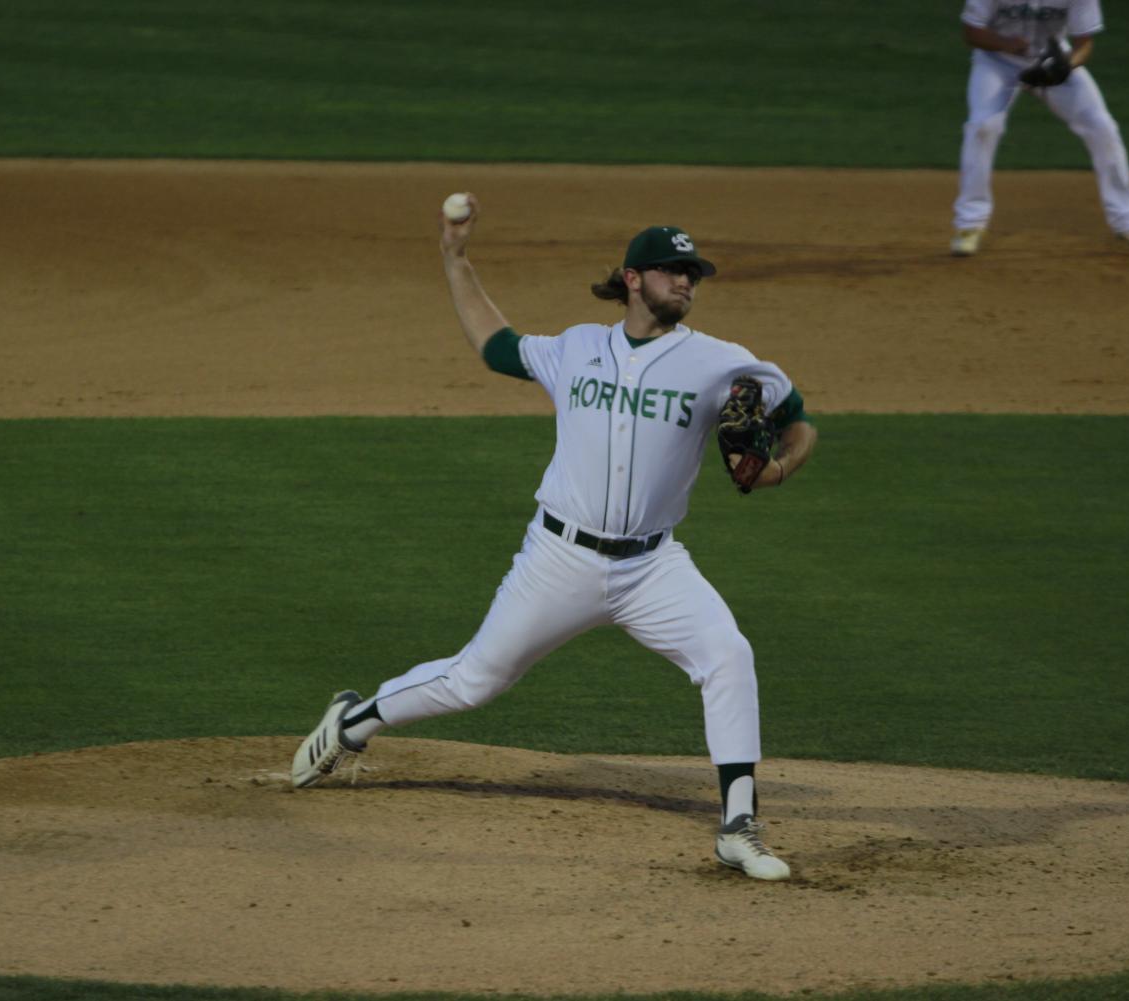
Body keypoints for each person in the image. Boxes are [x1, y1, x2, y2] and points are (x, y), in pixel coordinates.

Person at [291, 195, 818, 881]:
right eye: (670, 270)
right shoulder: (575, 348)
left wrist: (778, 467)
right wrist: (455, 258)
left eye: (692, 273)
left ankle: (738, 824)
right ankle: (355, 719)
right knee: (475, 679)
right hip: (559, 558)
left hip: (652, 566)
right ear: (632, 278)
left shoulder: (722, 363)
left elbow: (799, 419)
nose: (686, 282)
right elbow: (495, 344)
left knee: (726, 653)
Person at [951, 0, 1129, 256]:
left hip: (1052, 61)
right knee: (983, 126)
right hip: (996, 63)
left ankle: (1127, 220)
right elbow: (971, 32)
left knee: (1102, 126)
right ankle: (970, 224)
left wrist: (1065, 67)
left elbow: (1084, 44)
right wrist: (1008, 45)